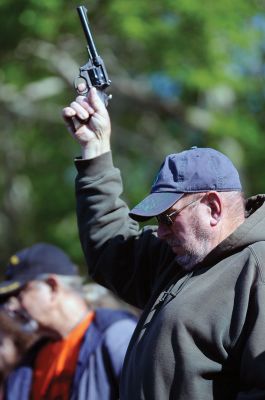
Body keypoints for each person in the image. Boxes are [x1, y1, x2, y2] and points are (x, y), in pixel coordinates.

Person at [62, 86, 265, 400]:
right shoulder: (178, 258)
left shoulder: (256, 269)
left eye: (168, 218)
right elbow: (110, 248)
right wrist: (96, 149)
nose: (160, 232)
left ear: (213, 207)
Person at [0, 242, 137, 399]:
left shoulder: (118, 336)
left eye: (18, 295)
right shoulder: (30, 360)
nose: (11, 308)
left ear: (52, 287)